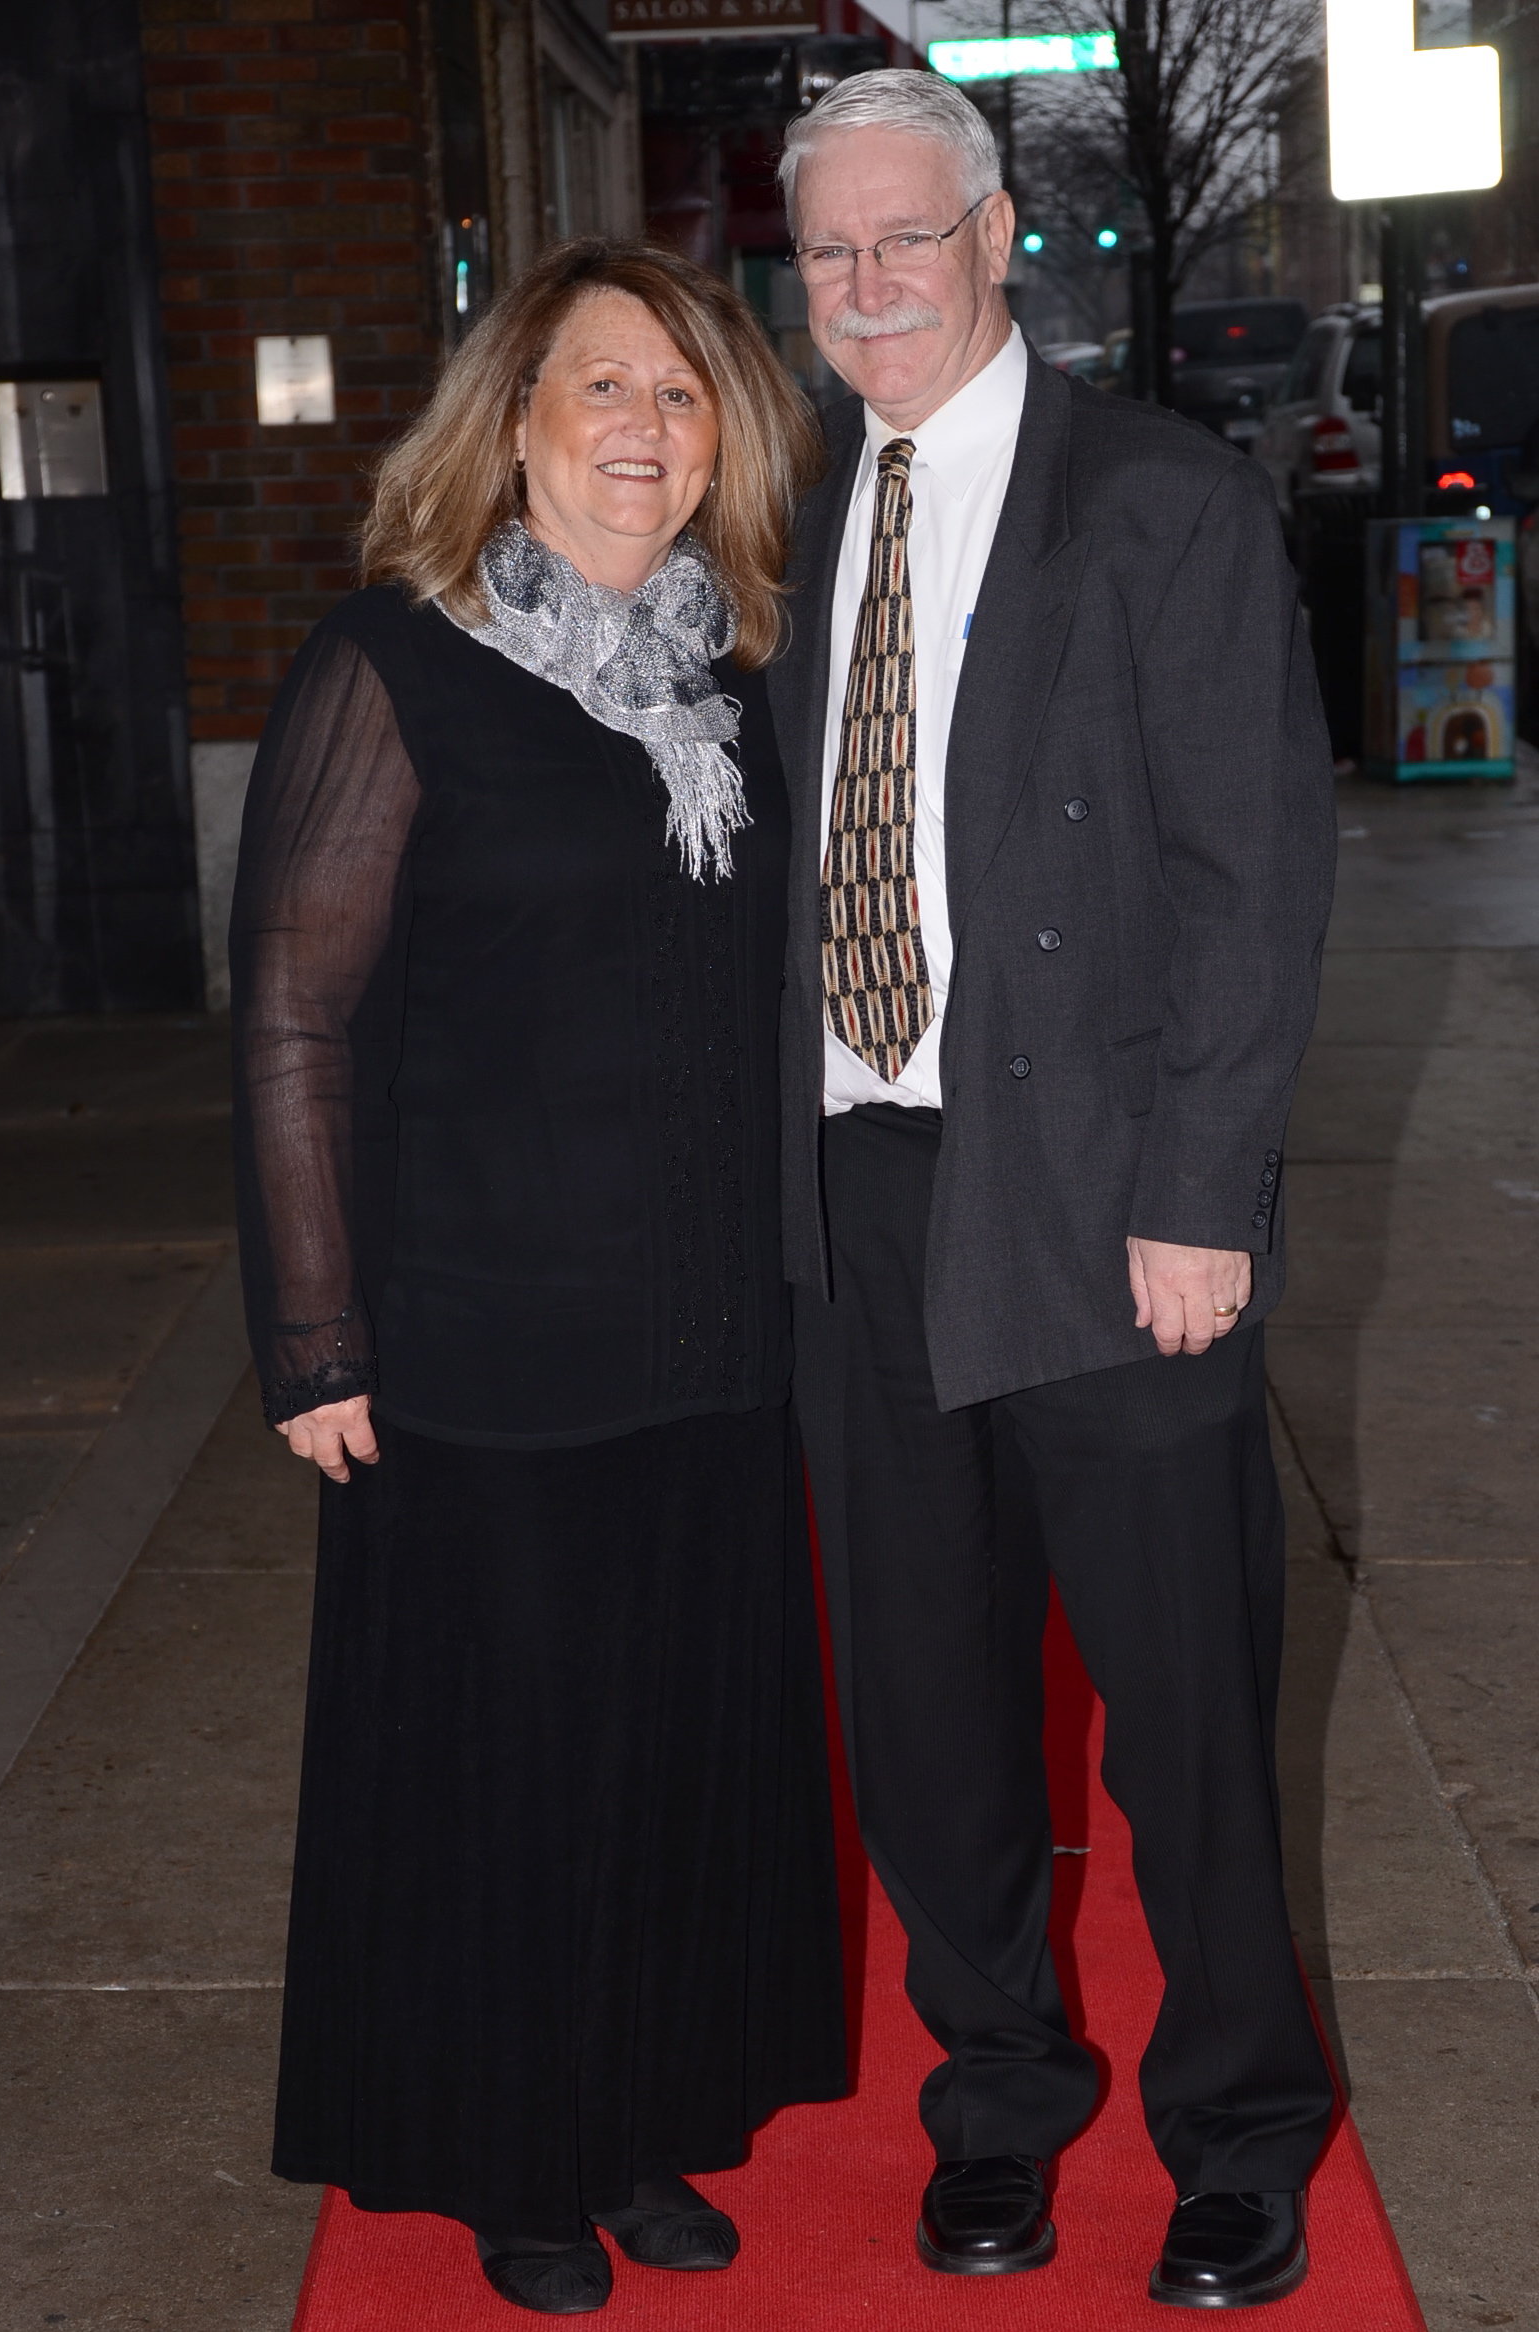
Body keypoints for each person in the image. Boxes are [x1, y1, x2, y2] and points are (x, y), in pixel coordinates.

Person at [230, 237, 845, 2319]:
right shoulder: (393, 667)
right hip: (481, 1333)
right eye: (604, 389)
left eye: (681, 398)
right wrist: (314, 1333)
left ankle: (644, 2110)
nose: (645, 434)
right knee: (516, 1764)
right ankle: (517, 2153)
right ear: (513, 419)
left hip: (702, 1328)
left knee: (679, 1746)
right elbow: (297, 1018)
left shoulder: (731, 679)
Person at [768, 70, 1338, 2310]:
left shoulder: (1161, 503)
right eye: (831, 252)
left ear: (1002, 235)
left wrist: (1206, 1188)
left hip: (1113, 1208)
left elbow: (1249, 873)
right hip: (859, 1204)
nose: (873, 285)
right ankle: (995, 2094)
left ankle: (1238, 2128)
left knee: (1185, 1707)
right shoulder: (790, 509)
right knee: (927, 1714)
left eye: (911, 237)